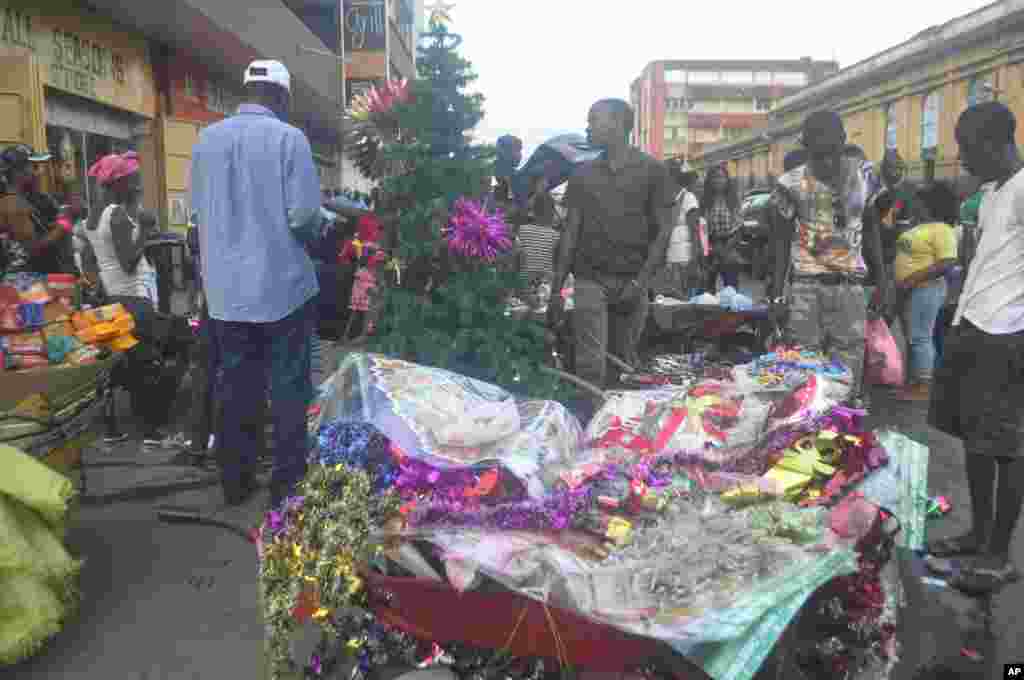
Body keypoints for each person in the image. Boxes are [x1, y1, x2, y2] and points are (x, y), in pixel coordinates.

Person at [190, 59, 321, 509]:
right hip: (282, 289)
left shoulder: (206, 141)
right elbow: (304, 217)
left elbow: (198, 215)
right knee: (288, 391)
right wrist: (320, 230)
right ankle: (285, 488)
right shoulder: (289, 139)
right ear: (282, 97)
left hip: (226, 295)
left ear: (246, 90)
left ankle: (235, 482)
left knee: (235, 388)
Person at [927, 102, 1024, 592]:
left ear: (997, 143)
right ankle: (979, 534)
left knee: (1006, 448)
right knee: (974, 440)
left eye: (968, 149)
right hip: (973, 325)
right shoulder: (992, 194)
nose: (963, 160)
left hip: (1008, 335)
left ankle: (998, 556)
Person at [548, 98, 672, 404]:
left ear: (617, 124)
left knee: (625, 365)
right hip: (591, 279)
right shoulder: (582, 175)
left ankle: (619, 435)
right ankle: (590, 430)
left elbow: (663, 232)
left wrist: (641, 282)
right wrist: (556, 290)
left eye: (594, 120)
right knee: (590, 365)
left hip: (633, 280)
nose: (588, 127)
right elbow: (570, 234)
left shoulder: (652, 171)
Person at [767, 111, 888, 405]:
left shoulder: (866, 177)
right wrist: (776, 298)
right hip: (805, 289)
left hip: (851, 287)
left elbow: (872, 229)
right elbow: (780, 244)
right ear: (805, 148)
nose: (827, 162)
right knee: (803, 370)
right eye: (818, 155)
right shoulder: (788, 184)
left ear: (843, 143)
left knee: (848, 371)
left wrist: (884, 281)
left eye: (833, 152)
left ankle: (843, 436)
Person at [888, 182, 958, 401]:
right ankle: (913, 382)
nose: (915, 204)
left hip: (926, 288)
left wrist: (914, 278)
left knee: (921, 336)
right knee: (912, 337)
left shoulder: (942, 229)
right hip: (908, 289)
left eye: (919, 201)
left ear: (930, 204)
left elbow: (947, 261)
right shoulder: (917, 226)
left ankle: (925, 386)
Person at [83, 152, 159, 306]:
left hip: (113, 297)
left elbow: (87, 258)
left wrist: (99, 284)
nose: (133, 186)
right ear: (119, 182)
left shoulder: (93, 216)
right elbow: (128, 265)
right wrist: (144, 230)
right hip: (135, 296)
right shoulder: (116, 213)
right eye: (130, 181)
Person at [0, 145, 76, 275]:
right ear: (18, 172)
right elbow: (33, 248)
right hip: (29, 284)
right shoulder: (13, 204)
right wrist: (63, 224)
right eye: (34, 167)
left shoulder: (17, 200)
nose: (39, 172)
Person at [653, 161, 703, 300]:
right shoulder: (664, 198)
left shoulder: (688, 198)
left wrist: (694, 260)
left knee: (682, 301)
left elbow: (694, 231)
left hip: (683, 259)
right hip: (668, 259)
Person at [701, 164, 741, 291]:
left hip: (729, 249)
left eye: (722, 177)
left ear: (727, 180)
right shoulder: (704, 201)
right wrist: (709, 251)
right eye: (715, 177)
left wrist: (724, 251)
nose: (719, 180)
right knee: (707, 292)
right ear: (710, 181)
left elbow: (738, 228)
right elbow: (701, 229)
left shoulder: (733, 200)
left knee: (731, 291)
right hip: (709, 250)